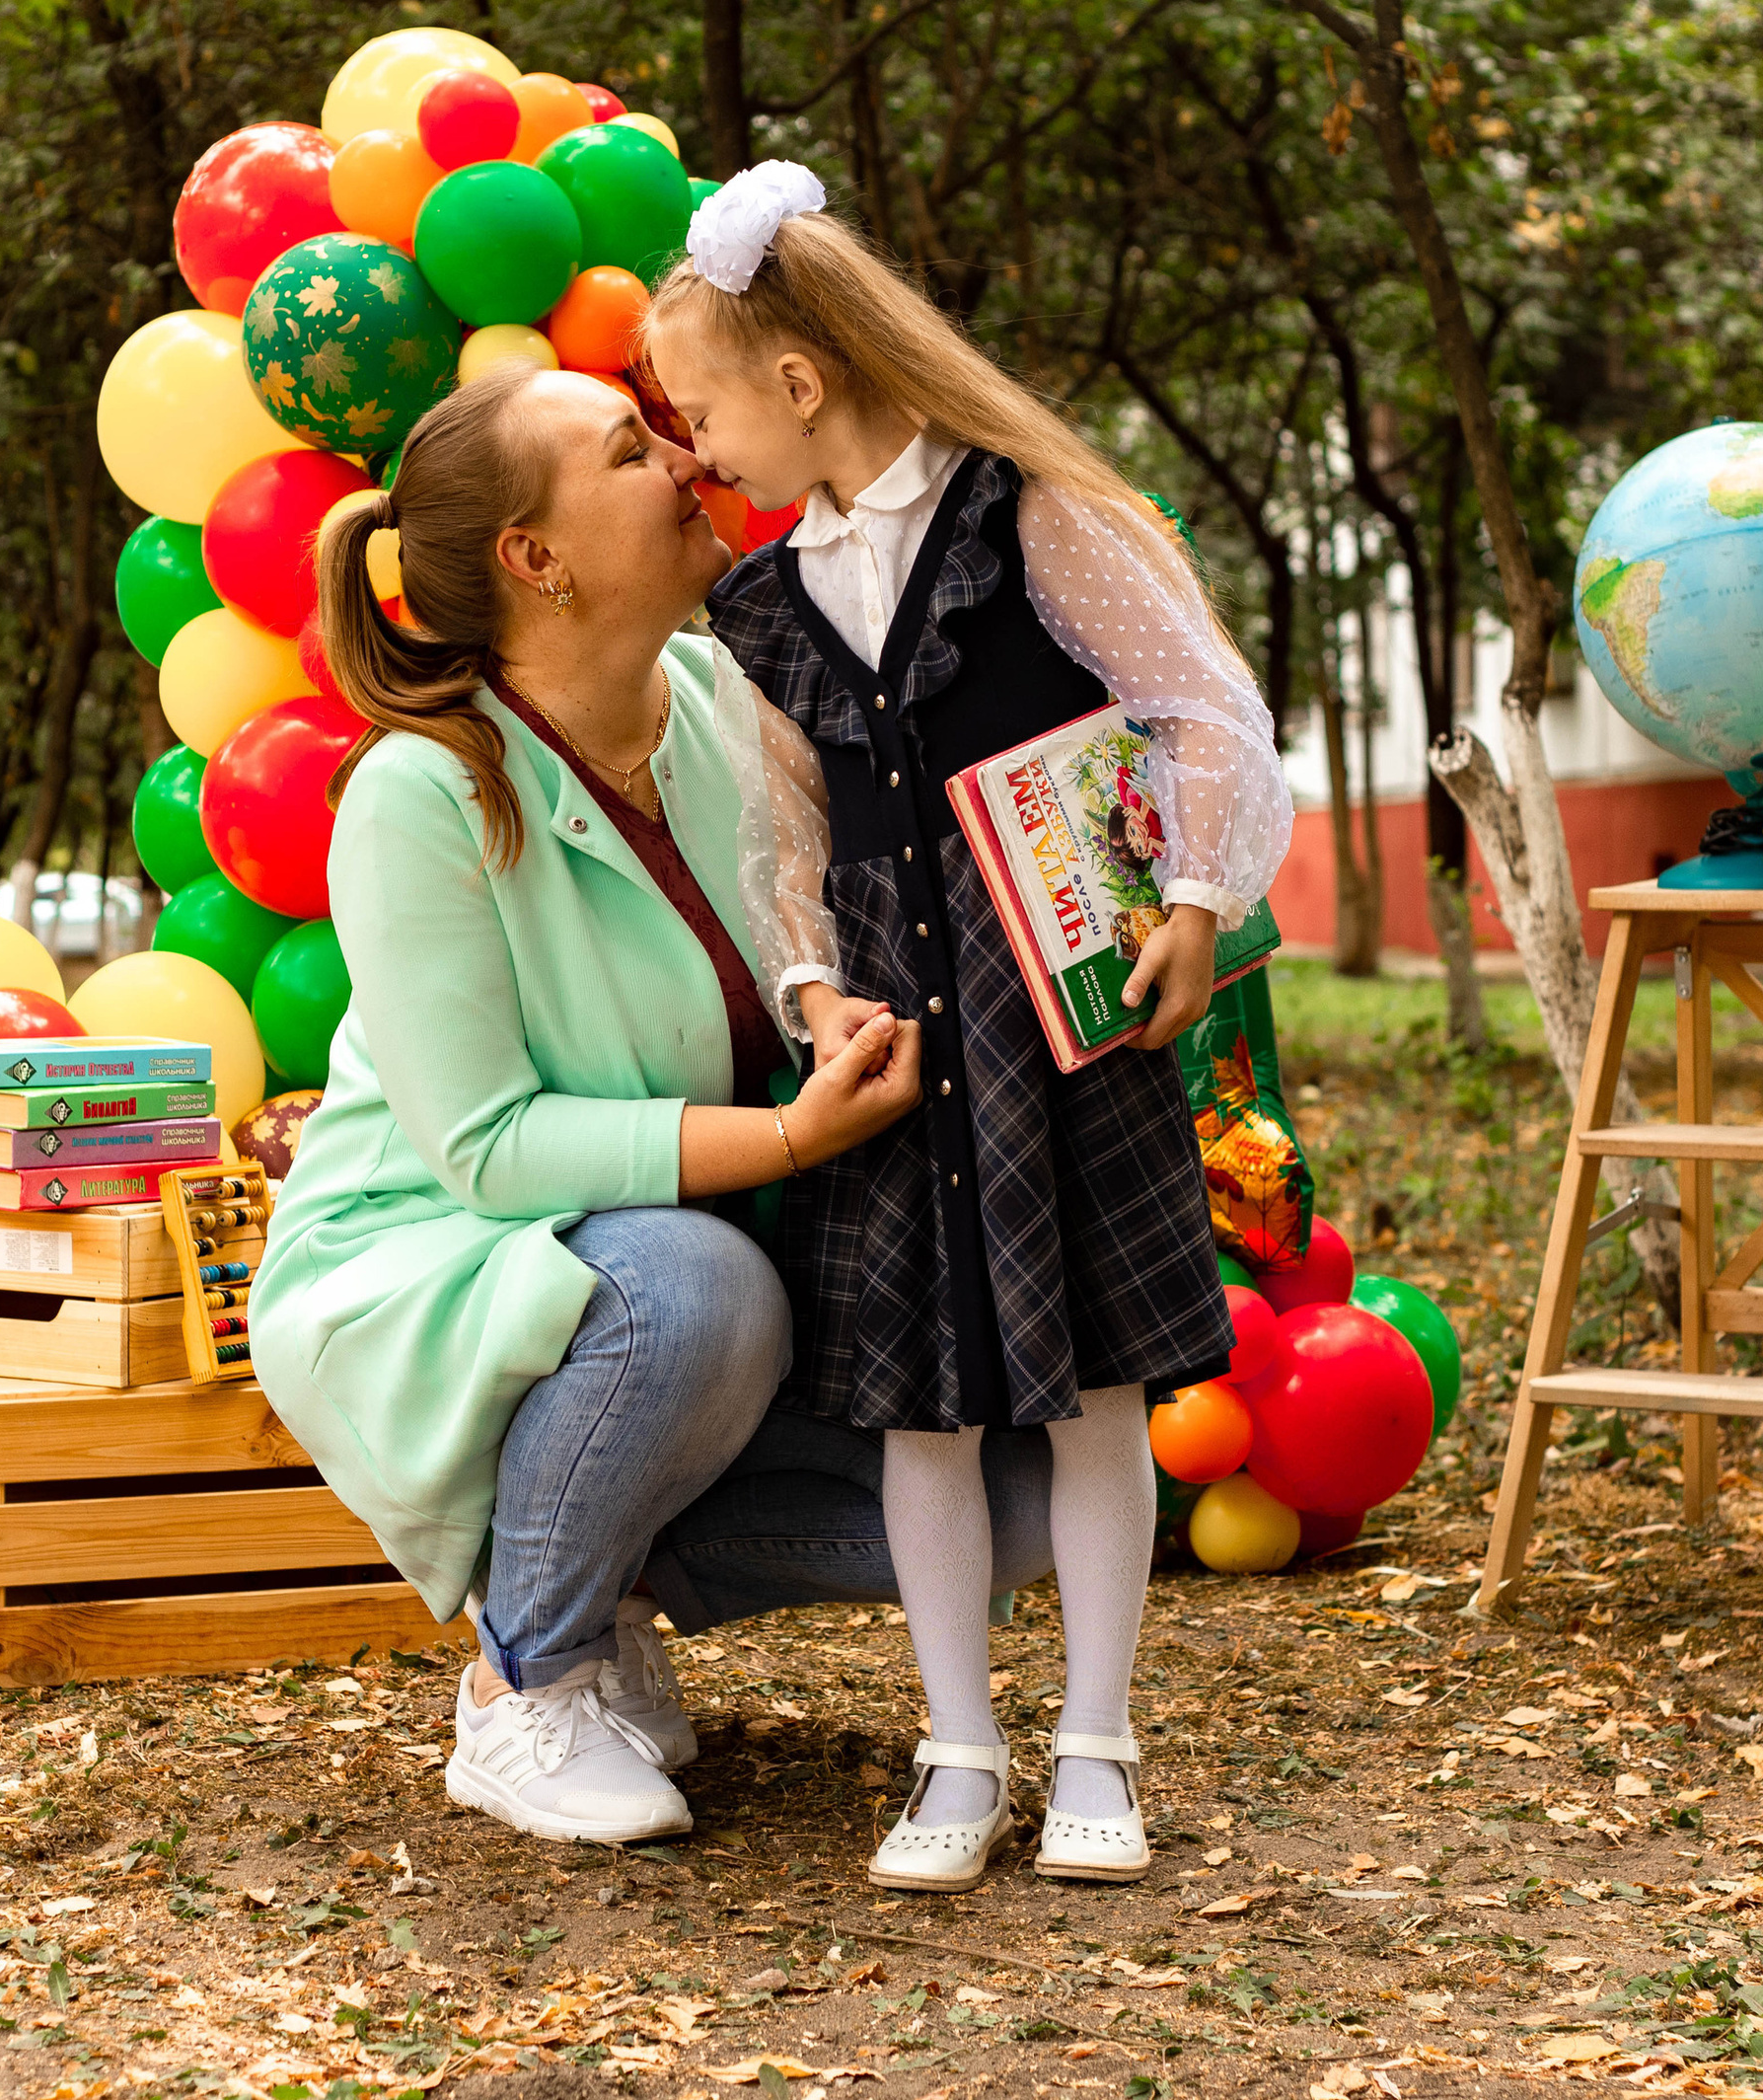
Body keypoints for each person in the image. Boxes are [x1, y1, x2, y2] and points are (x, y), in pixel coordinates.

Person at [642, 162, 1293, 1892]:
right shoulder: (768, 601)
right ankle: (958, 1746)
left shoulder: (1032, 514)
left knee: (1094, 1392)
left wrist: (1192, 901)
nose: (696, 448)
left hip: (1057, 1011)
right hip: (903, 1041)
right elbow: (786, 833)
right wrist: (807, 991)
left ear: (800, 381)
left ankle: (1097, 1742)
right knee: (917, 1405)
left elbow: (1202, 706)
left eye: (704, 409)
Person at [252, 361, 923, 1847]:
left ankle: (603, 1573)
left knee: (999, 1490)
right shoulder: (421, 791)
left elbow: (819, 931)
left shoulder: (719, 697)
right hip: (433, 1257)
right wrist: (790, 1138)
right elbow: (487, 1147)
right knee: (697, 1289)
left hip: (682, 1254)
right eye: (631, 451)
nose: (685, 460)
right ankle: (528, 1683)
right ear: (534, 558)